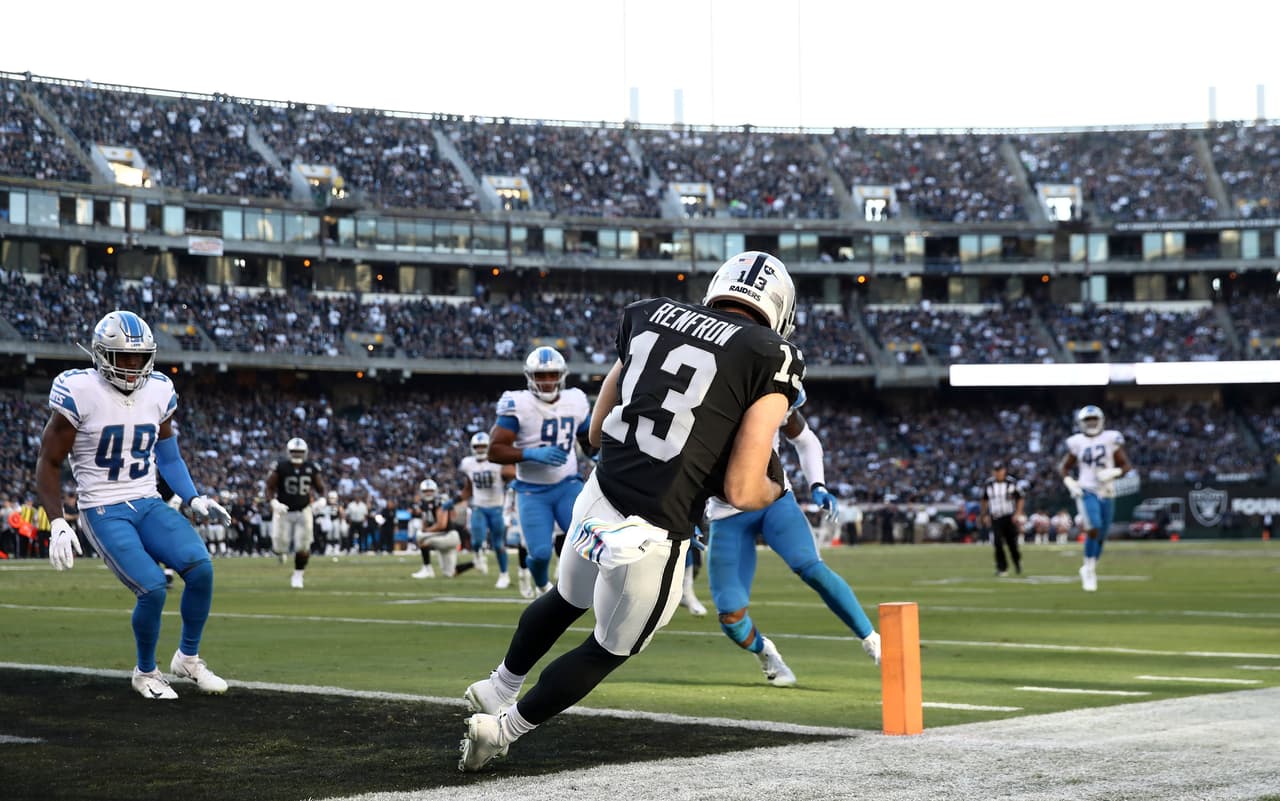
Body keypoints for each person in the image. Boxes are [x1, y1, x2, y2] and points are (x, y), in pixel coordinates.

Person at [459, 250, 805, 771]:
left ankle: (498, 684)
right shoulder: (771, 354)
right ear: (778, 307)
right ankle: (501, 729)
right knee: (611, 646)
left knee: (568, 596)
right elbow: (740, 487)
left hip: (601, 489)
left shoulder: (652, 314)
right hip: (654, 527)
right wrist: (777, 493)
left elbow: (597, 427)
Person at [35, 310, 231, 699]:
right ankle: (145, 672)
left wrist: (193, 497)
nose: (131, 366)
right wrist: (57, 521)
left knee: (202, 569)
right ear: (101, 354)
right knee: (153, 587)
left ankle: (187, 659)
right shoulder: (80, 390)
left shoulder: (158, 389)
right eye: (123, 357)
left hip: (147, 499)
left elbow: (170, 456)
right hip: (102, 507)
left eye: (138, 357)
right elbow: (49, 462)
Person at [706, 404, 880, 686]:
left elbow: (805, 439)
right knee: (731, 618)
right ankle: (765, 652)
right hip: (726, 513)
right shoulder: (699, 402)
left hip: (774, 500)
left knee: (810, 567)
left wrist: (818, 485)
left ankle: (871, 638)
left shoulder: (769, 388)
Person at [486, 346, 593, 596]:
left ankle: (587, 591)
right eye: (540, 375)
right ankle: (543, 584)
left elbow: (588, 439)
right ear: (529, 376)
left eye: (552, 374)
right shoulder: (517, 403)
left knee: (587, 542)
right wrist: (530, 453)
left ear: (562, 375)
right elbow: (494, 450)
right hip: (532, 490)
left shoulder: (575, 399)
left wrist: (600, 455)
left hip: (568, 484)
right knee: (541, 553)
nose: (546, 381)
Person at [1060, 405, 1132, 592]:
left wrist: (1113, 471)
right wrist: (1070, 482)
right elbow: (1064, 468)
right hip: (1087, 489)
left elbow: (1126, 466)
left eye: (1094, 419)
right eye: (1087, 420)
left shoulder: (1110, 438)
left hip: (1107, 491)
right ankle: (1089, 569)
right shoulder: (1076, 442)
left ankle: (1090, 566)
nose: (1091, 423)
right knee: (1094, 527)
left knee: (1102, 534)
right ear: (1081, 423)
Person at [266, 437, 326, 588]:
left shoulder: (312, 467)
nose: (297, 455)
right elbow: (269, 487)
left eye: (300, 452)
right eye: (294, 452)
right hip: (284, 510)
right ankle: (280, 553)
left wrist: (322, 500)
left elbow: (321, 488)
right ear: (288, 452)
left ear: (305, 453)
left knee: (303, 546)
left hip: (303, 510)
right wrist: (273, 502)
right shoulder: (281, 467)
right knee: (279, 546)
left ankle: (298, 574)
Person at [459, 431, 516, 587]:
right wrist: (455, 501)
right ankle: (478, 558)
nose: (479, 449)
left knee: (498, 545)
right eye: (477, 447)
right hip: (478, 507)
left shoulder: (497, 462)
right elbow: (469, 487)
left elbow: (512, 473)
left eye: (483, 446)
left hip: (497, 508)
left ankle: (504, 575)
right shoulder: (468, 463)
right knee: (476, 541)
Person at [411, 478, 476, 578]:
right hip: (441, 536)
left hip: (449, 536)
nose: (428, 493)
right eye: (426, 491)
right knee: (449, 573)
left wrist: (426, 531)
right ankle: (475, 563)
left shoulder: (439, 502)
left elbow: (442, 525)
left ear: (435, 491)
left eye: (430, 491)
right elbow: (425, 521)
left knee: (421, 537)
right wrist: (425, 529)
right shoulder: (423, 504)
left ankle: (427, 569)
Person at [980, 460, 1025, 576]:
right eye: (995, 471)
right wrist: (984, 514)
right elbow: (984, 499)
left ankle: (1017, 562)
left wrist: (1018, 513)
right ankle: (1002, 568)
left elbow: (1020, 497)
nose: (998, 473)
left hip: (1009, 517)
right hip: (995, 517)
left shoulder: (1011, 482)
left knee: (1012, 544)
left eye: (999, 470)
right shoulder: (988, 484)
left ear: (1004, 470)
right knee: (997, 543)